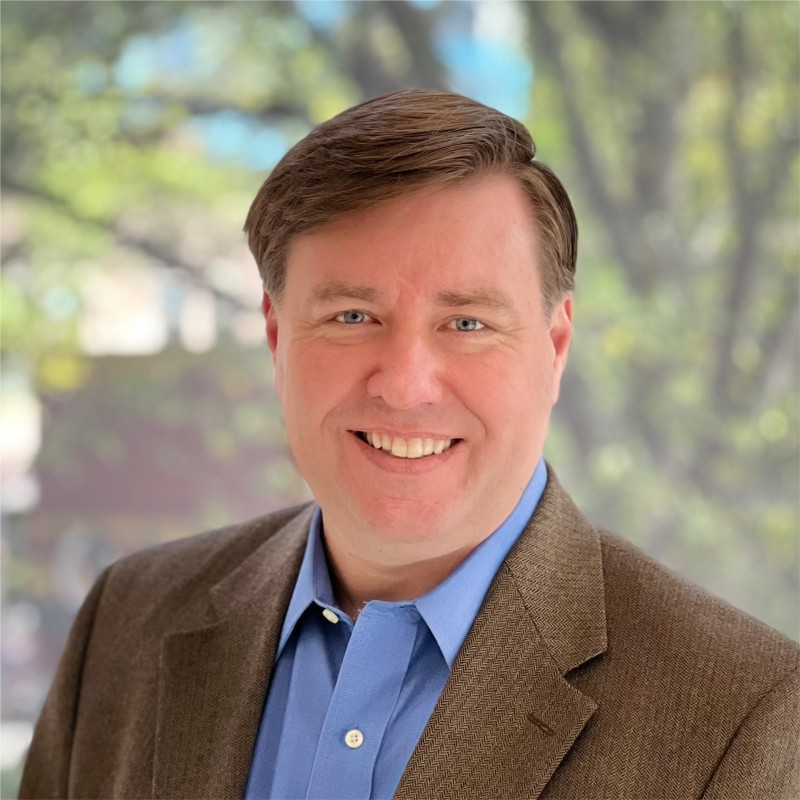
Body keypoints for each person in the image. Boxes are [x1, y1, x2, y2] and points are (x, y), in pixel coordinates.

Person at [20, 89, 798, 800]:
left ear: (555, 347)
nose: (404, 385)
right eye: (352, 317)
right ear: (276, 337)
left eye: (467, 323)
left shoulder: (743, 713)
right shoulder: (126, 624)